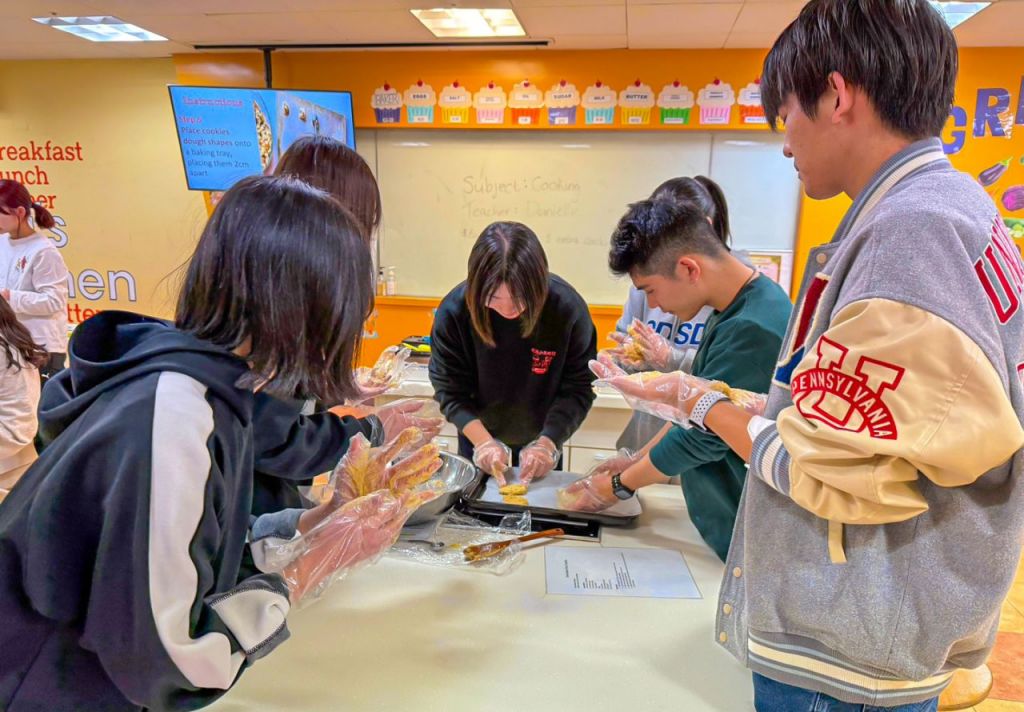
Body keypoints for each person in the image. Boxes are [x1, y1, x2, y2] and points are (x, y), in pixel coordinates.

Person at [593, 1, 1024, 708]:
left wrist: (700, 403)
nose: (785, 142)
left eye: (786, 113)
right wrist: (703, 394)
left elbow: (827, 470)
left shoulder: (912, 234)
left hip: (852, 644)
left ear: (837, 95)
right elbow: (850, 426)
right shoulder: (945, 211)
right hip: (871, 626)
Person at [0, 176, 436, 710]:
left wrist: (320, 522)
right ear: (303, 308)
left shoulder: (203, 385)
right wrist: (307, 570)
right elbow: (171, 659)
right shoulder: (175, 413)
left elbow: (199, 547)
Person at [561, 199, 791, 562]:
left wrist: (617, 486)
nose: (653, 305)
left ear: (688, 268)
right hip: (723, 524)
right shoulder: (733, 307)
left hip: (744, 535)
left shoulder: (751, 326)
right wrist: (634, 459)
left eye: (650, 290)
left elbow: (704, 436)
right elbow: (695, 412)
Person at [250, 135, 441, 516]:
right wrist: (371, 430)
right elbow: (275, 440)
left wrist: (341, 390)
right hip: (245, 521)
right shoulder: (278, 310)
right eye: (365, 226)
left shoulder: (286, 294)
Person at [430, 221, 597, 484]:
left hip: (544, 441)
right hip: (477, 438)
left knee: (541, 502)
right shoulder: (454, 312)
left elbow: (579, 387)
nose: (508, 310)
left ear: (539, 285)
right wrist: (484, 444)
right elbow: (450, 390)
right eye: (493, 299)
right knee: (478, 501)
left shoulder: (566, 309)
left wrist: (547, 445)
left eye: (520, 299)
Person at [610, 175, 748, 451]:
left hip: (695, 451)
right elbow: (628, 344)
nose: (655, 304)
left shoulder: (738, 297)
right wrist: (628, 359)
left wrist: (671, 358)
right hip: (650, 441)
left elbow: (723, 392)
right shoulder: (648, 281)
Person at [0, 179, 69, 381]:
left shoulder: (43, 251)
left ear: (20, 212)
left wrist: (9, 297)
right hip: (11, 345)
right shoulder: (3, 241)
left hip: (41, 348)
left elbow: (54, 301)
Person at [0, 297, 46, 500]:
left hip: (9, 461)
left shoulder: (4, 349)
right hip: (17, 456)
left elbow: (15, 422)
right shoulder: (10, 341)